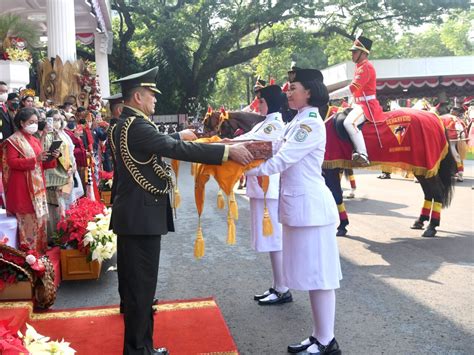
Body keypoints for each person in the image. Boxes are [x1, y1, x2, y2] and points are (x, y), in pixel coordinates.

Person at [110, 67, 253, 355]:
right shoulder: (137, 126)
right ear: (137, 97)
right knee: (142, 288)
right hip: (140, 217)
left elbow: (155, 144)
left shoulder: (123, 124)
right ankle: (139, 350)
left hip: (133, 214)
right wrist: (225, 152)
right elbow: (175, 150)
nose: (155, 101)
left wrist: (181, 136)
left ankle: (141, 346)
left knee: (137, 286)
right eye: (151, 96)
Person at [246, 68, 342, 354]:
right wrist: (239, 150)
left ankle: (326, 340)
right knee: (313, 276)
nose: (287, 92)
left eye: (293, 87)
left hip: (312, 210)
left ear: (309, 92)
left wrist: (245, 167)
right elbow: (274, 147)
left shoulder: (310, 122)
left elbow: (283, 159)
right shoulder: (298, 120)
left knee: (320, 276)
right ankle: (319, 335)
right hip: (301, 208)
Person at [229, 84, 291, 305]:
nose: (258, 105)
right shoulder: (266, 122)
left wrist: (222, 145)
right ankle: (278, 285)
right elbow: (245, 136)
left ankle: (283, 288)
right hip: (263, 189)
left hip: (269, 189)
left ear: (270, 102)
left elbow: (246, 142)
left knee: (275, 241)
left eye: (261, 101)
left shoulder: (273, 124)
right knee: (272, 241)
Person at [1, 108, 59, 253]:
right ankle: (29, 257)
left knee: (39, 221)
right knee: (27, 223)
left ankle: (40, 253)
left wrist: (52, 157)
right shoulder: (13, 141)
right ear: (21, 122)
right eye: (30, 122)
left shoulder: (35, 140)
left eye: (35, 122)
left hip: (37, 187)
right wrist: (35, 159)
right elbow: (12, 162)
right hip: (23, 188)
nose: (34, 125)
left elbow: (40, 164)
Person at [330, 35, 384, 166]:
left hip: (366, 105)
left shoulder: (366, 67)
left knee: (350, 123)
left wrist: (330, 96)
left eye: (355, 52)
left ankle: (363, 154)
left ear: (363, 53)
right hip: (357, 104)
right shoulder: (360, 66)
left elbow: (352, 88)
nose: (352, 55)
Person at [43, 110, 75, 235]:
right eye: (54, 119)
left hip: (67, 172)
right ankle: (56, 235)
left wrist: (72, 166)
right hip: (54, 173)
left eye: (59, 119)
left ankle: (67, 232)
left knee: (67, 204)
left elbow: (70, 152)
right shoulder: (47, 135)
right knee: (55, 207)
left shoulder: (64, 134)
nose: (57, 121)